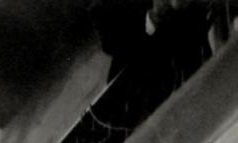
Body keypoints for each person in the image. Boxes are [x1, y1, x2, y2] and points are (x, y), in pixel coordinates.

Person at [87, 0, 213, 130]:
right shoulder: (101, 6)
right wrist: (152, 18)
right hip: (146, 85)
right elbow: (111, 43)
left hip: (199, 60)